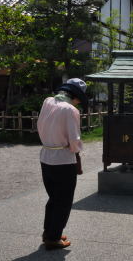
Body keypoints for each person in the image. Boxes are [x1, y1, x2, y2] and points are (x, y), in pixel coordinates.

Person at [37, 78, 87, 250]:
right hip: (63, 159)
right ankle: (53, 237)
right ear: (75, 96)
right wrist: (78, 148)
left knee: (53, 198)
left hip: (46, 155)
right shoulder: (70, 109)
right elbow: (74, 140)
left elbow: (40, 125)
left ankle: (49, 232)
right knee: (63, 201)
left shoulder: (48, 101)